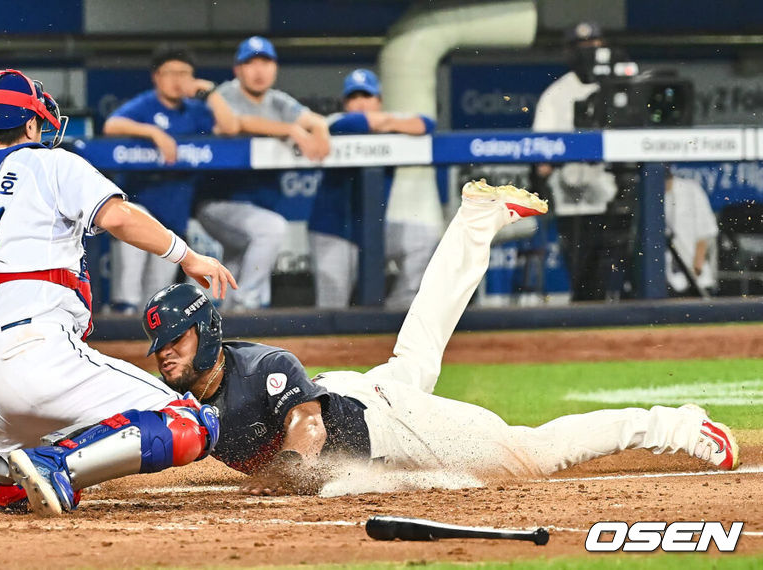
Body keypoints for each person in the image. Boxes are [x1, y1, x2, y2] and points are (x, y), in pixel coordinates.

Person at [143, 180, 739, 496]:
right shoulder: (190, 393)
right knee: (418, 348)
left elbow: (308, 427)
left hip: (385, 420)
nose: (166, 353)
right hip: (359, 398)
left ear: (207, 332)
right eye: (160, 346)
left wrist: (297, 475)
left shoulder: (261, 367)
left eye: (177, 340)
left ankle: (677, 426)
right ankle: (478, 218)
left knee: (529, 457)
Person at [0, 69, 235, 517]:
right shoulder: (49, 162)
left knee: (18, 488)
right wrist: (187, 256)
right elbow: (119, 217)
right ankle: (56, 465)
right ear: (29, 125)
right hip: (41, 354)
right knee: (190, 422)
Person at [196, 36, 331, 311]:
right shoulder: (223, 96)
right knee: (271, 229)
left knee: (239, 263)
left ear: (275, 68)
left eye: (265, 62)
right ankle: (247, 304)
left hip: (254, 207)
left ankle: (230, 320)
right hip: (219, 202)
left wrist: (320, 131)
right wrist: (291, 130)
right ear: (237, 70)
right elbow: (235, 124)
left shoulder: (278, 101)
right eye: (251, 63)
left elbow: (314, 119)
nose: (259, 70)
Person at [103, 44, 238, 314]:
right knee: (129, 294)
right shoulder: (145, 105)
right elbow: (111, 125)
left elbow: (231, 128)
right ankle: (121, 311)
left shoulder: (195, 110)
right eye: (171, 72)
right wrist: (152, 132)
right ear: (156, 76)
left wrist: (211, 93)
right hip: (137, 207)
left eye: (184, 73)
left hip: (172, 220)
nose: (178, 79)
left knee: (155, 299)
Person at [307, 69, 436, 308]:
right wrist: (388, 123)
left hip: (373, 231)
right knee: (332, 308)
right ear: (345, 103)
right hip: (334, 233)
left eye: (366, 96)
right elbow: (351, 123)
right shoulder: (333, 122)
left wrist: (388, 122)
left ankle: (398, 309)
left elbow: (427, 124)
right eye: (354, 97)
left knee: (424, 237)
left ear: (379, 101)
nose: (360, 103)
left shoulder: (391, 124)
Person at [532, 22, 630, 301]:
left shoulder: (619, 86)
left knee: (617, 283)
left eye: (594, 44)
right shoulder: (556, 94)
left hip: (613, 195)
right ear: (569, 51)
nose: (589, 51)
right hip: (572, 204)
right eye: (582, 46)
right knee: (585, 283)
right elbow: (541, 157)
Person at [665, 171, 718, 295]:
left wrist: (696, 266)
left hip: (695, 280)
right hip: (667, 282)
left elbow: (706, 231)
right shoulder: (648, 194)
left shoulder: (690, 189)